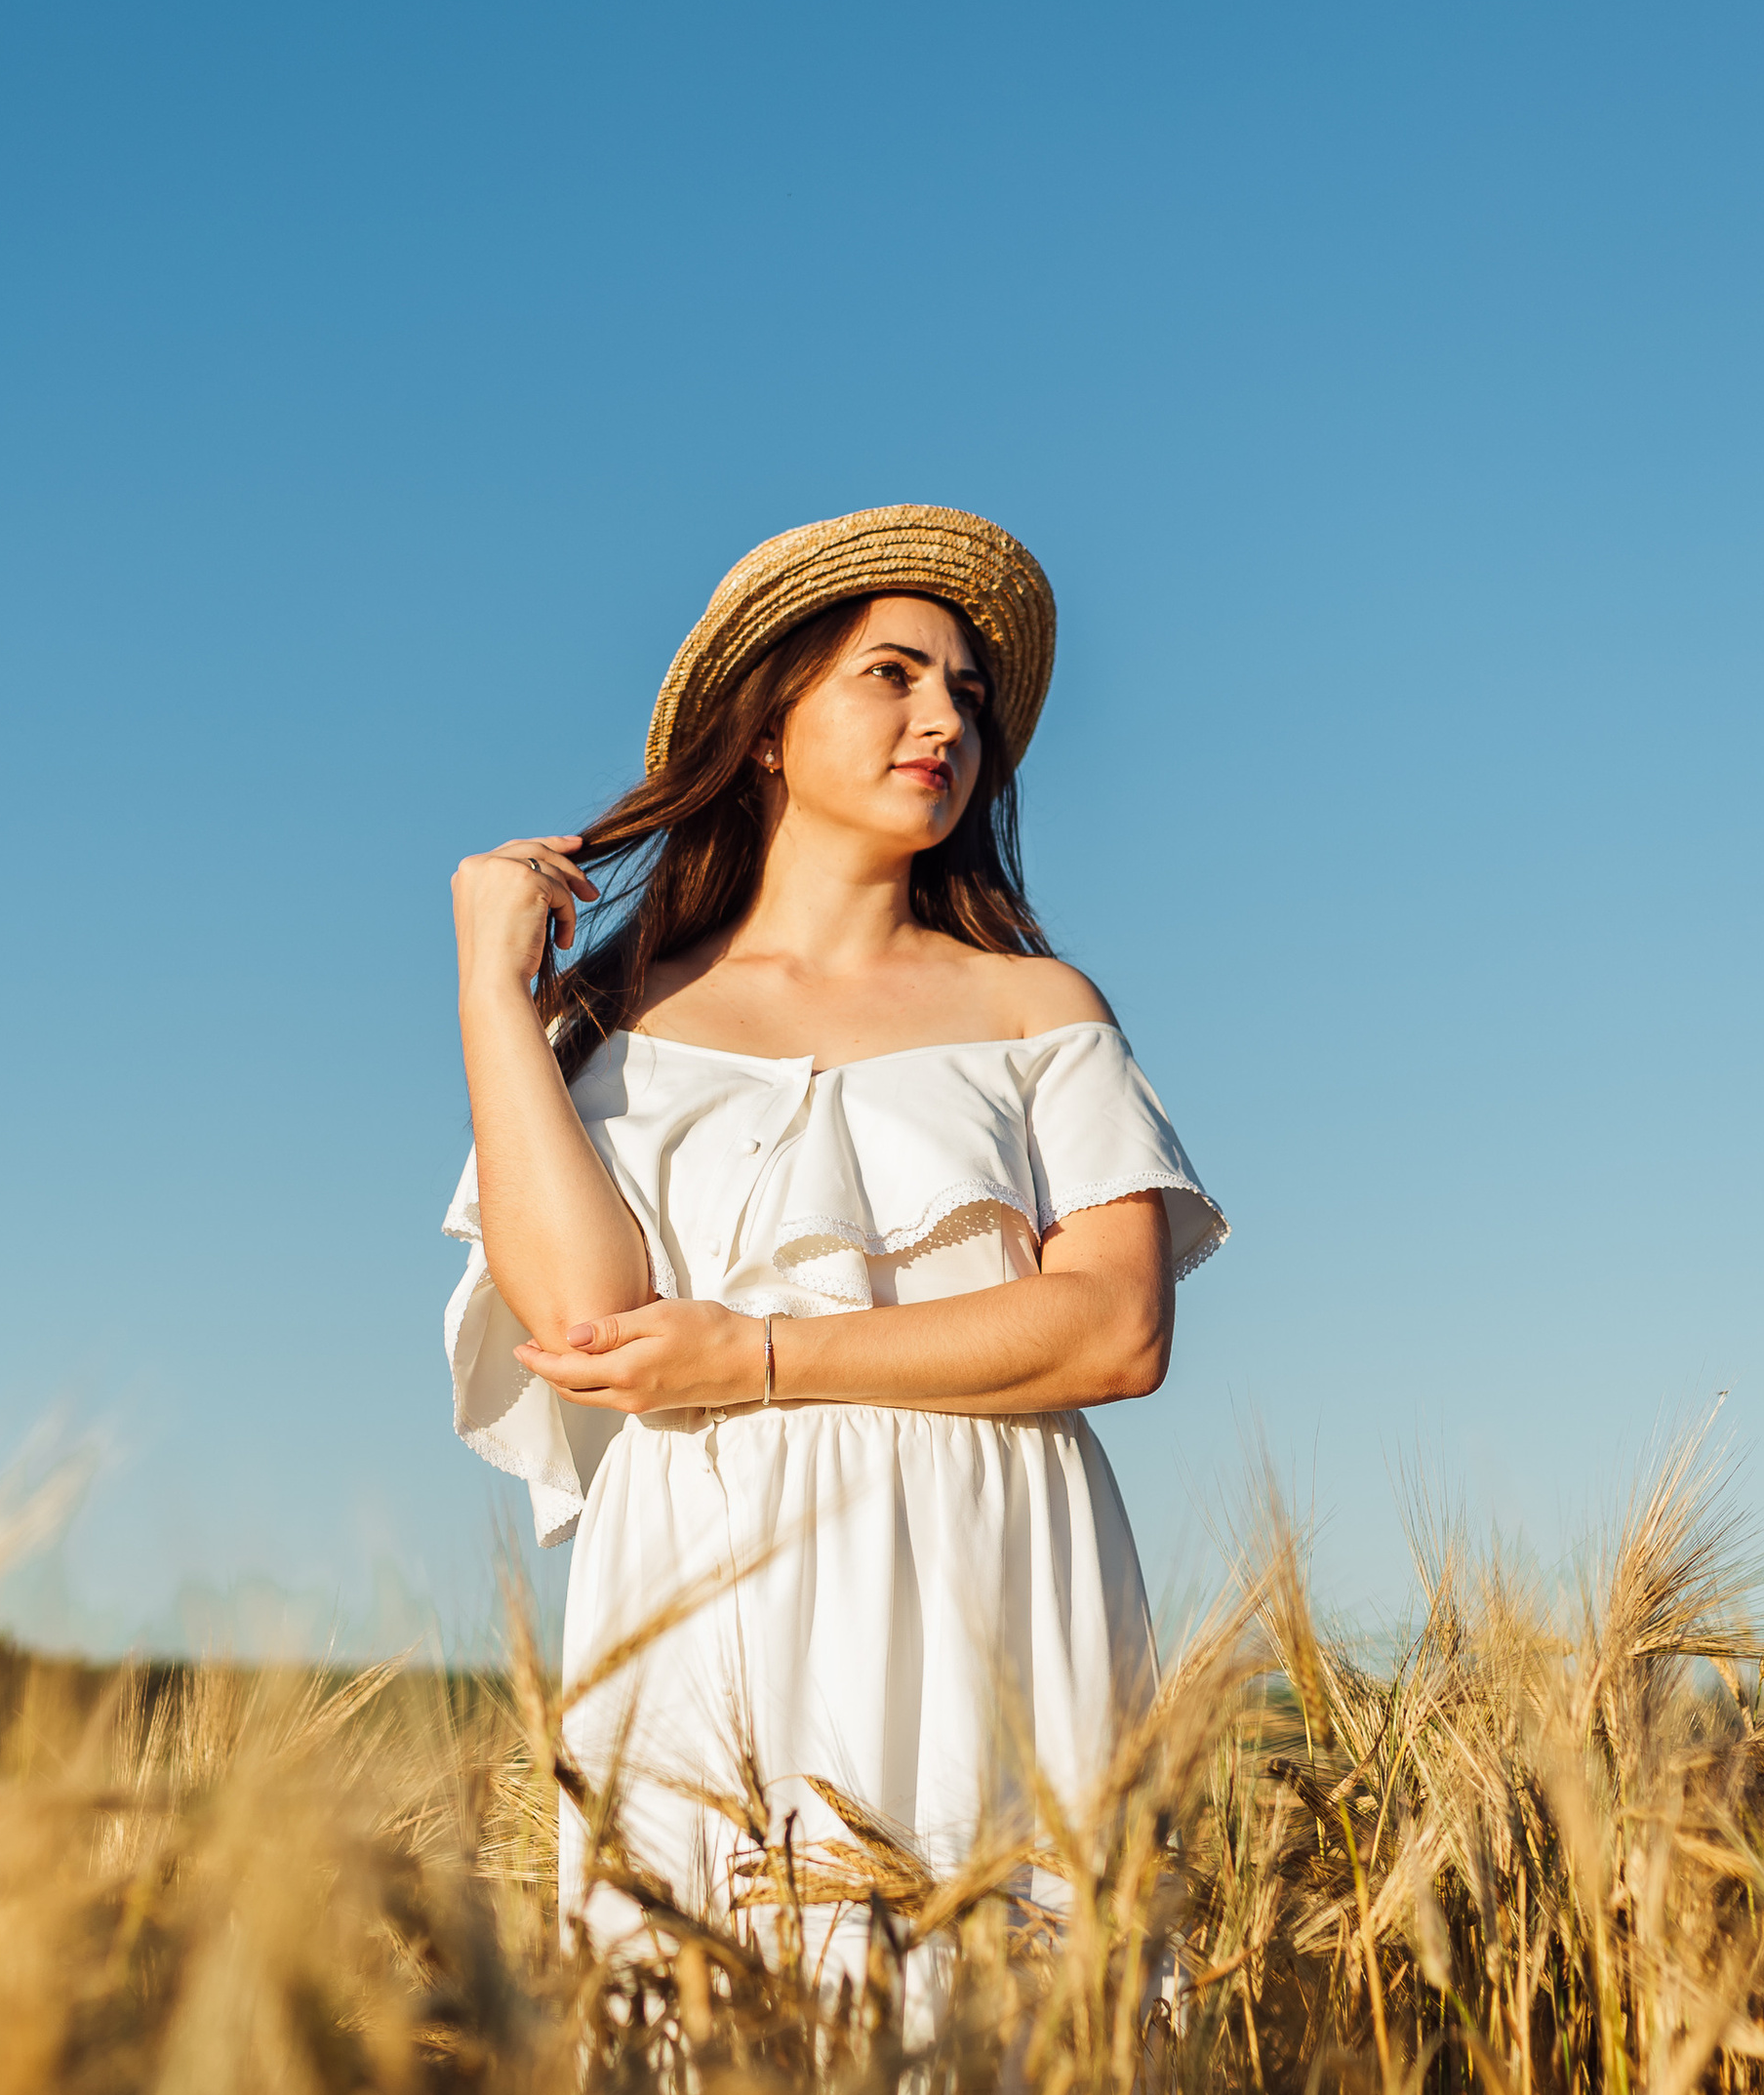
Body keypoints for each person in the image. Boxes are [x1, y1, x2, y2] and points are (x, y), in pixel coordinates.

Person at [443, 504, 1224, 1990]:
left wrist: (757, 1354)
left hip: (987, 1570)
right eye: (893, 675)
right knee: (709, 2076)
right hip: (702, 1577)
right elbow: (585, 1323)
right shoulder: (609, 1023)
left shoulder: (1033, 1008)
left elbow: (1115, 1330)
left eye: (970, 698)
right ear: (767, 728)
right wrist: (493, 996)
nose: (948, 721)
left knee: (1002, 2056)